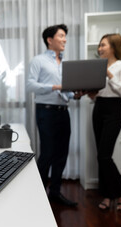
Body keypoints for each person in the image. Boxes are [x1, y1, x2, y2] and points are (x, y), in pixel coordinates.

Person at [26, 24, 82, 207]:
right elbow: (30, 86)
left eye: (65, 36)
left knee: (61, 154)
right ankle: (39, 195)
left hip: (63, 112)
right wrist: (54, 87)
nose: (65, 39)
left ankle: (55, 193)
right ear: (50, 40)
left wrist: (75, 95)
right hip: (46, 112)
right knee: (47, 154)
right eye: (61, 36)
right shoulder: (38, 60)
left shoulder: (66, 64)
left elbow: (66, 92)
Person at [88, 33, 121, 211]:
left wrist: (108, 74)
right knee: (101, 155)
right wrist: (91, 95)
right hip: (99, 108)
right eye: (99, 45)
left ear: (114, 47)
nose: (99, 48)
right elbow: (99, 92)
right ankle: (107, 195)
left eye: (103, 45)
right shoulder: (98, 66)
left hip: (114, 110)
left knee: (104, 156)